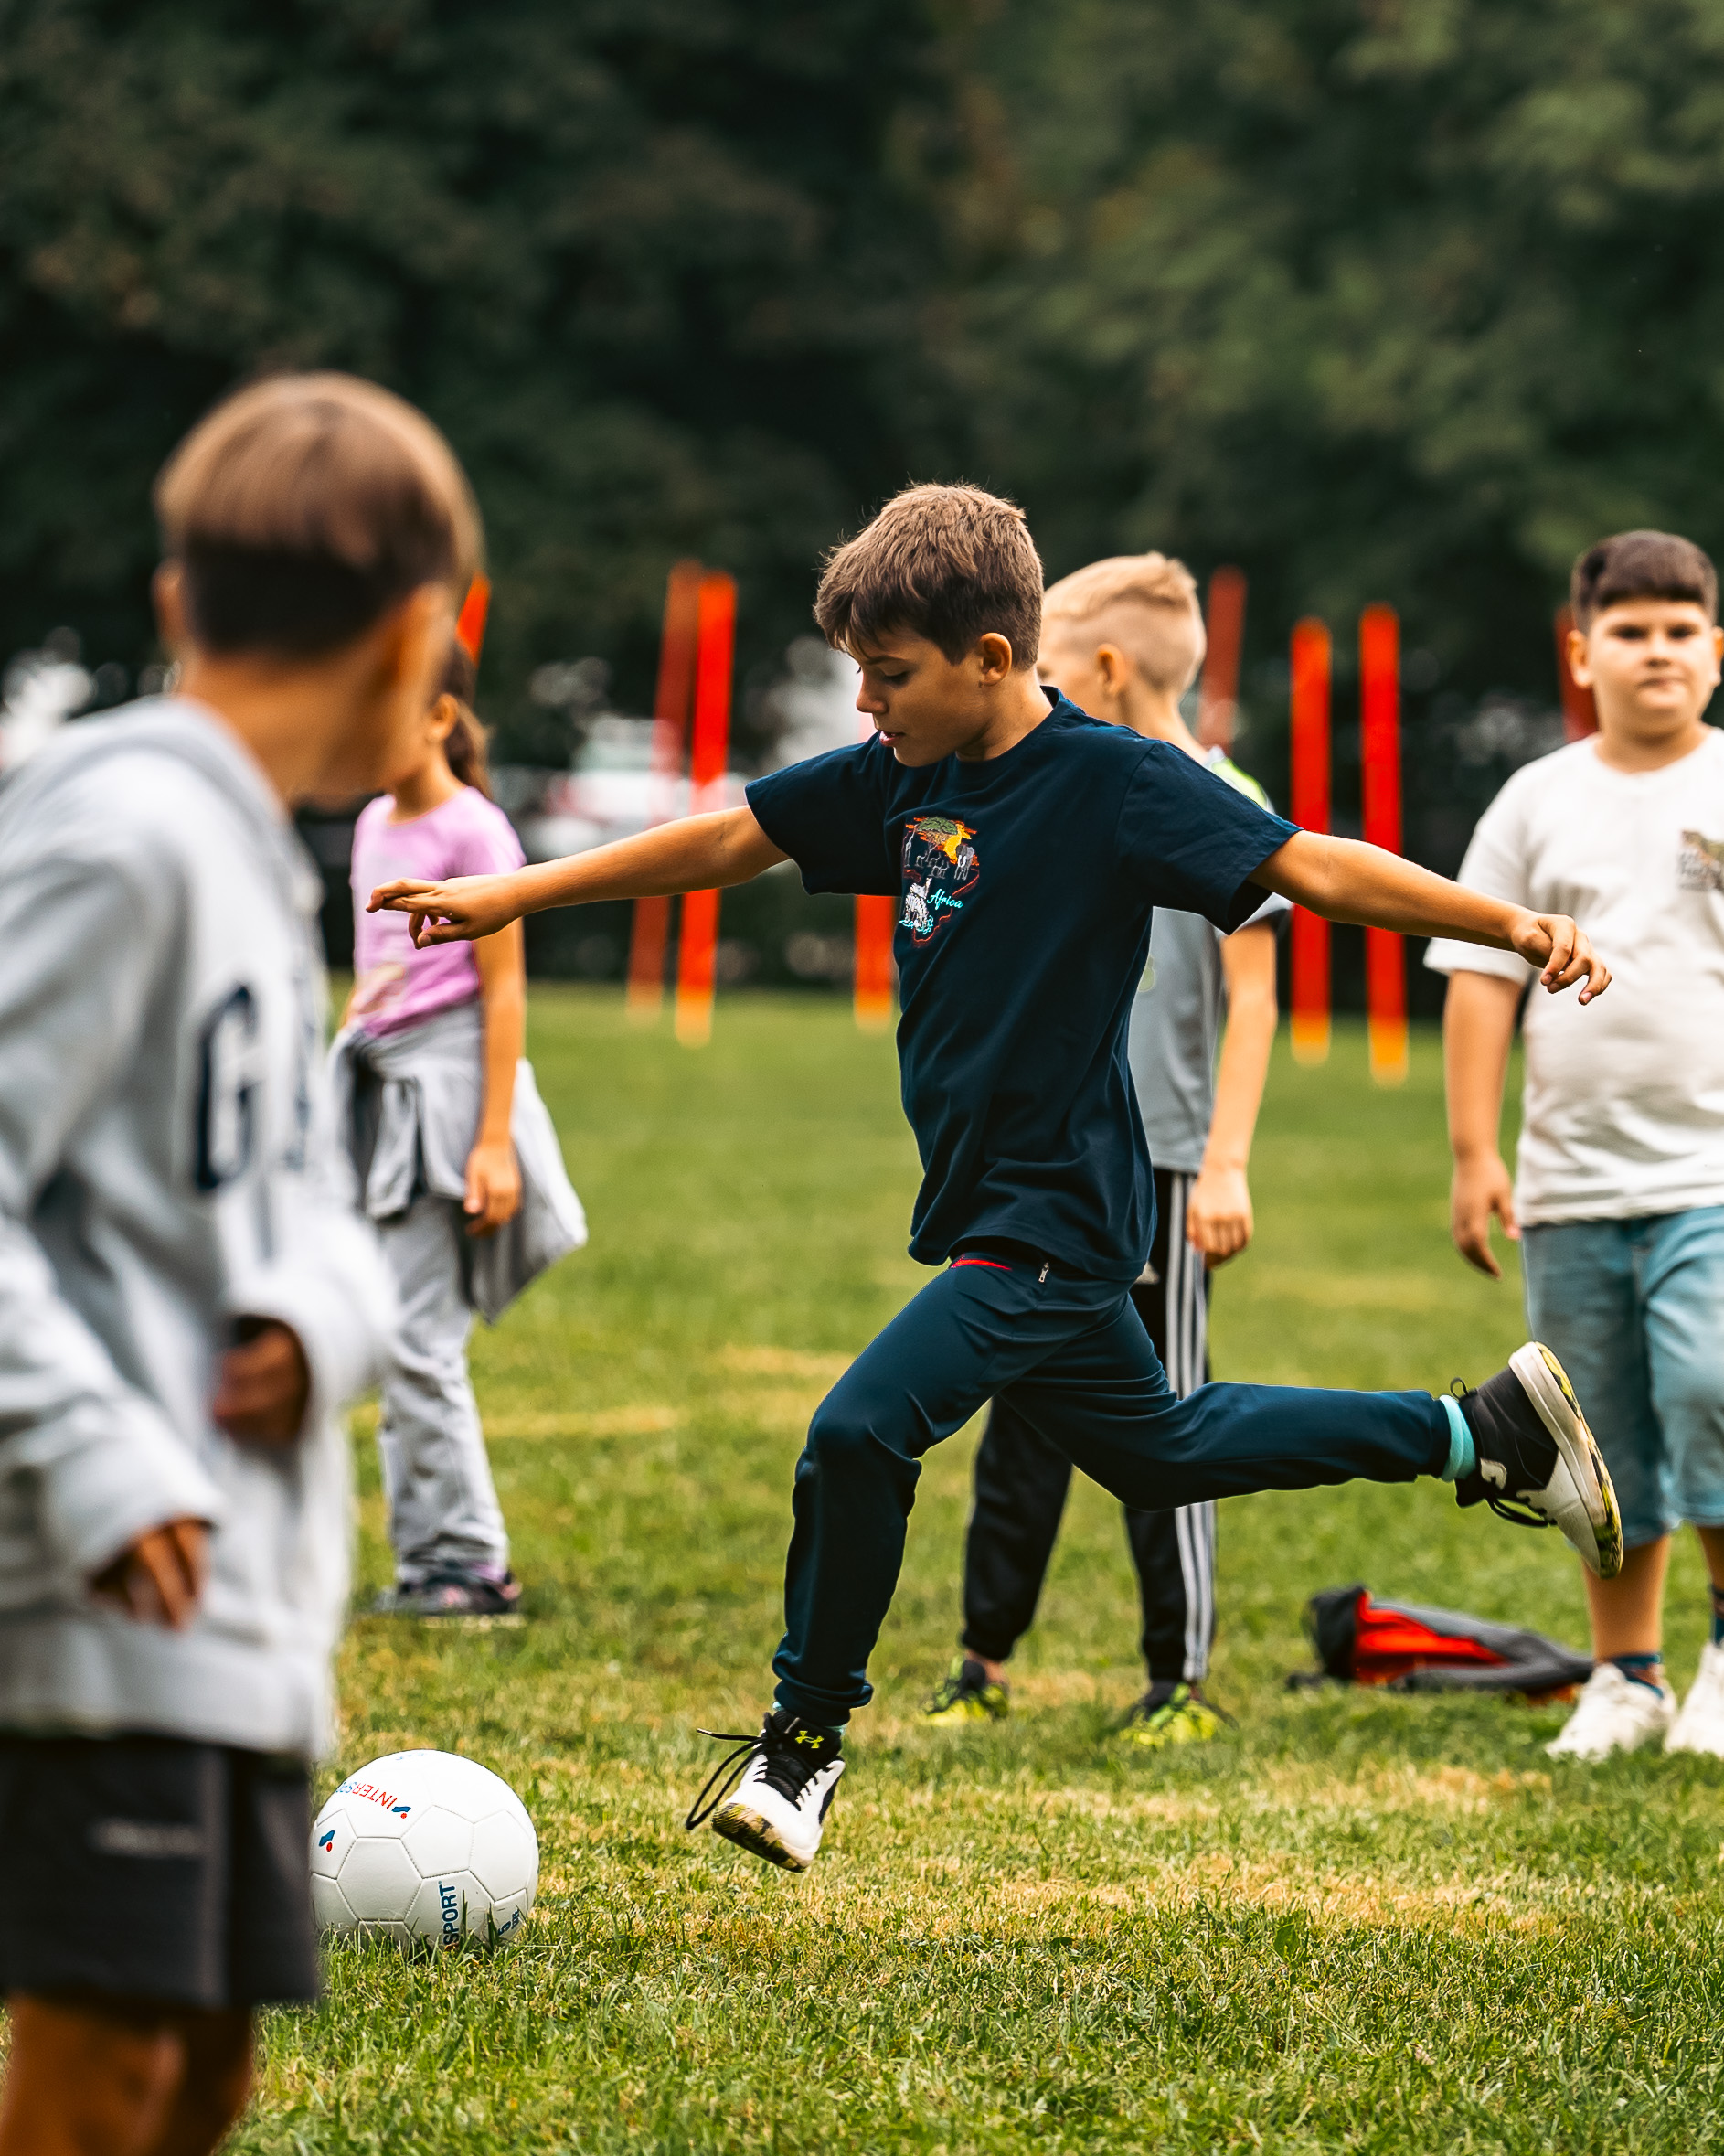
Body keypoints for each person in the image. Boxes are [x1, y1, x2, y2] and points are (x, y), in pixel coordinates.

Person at [371, 482, 1621, 1877]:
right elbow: (732, 838)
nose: (866, 706)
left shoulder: (1110, 782)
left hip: (1051, 1216)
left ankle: (801, 1745)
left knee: (856, 1434)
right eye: (856, 675)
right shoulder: (908, 772)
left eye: (888, 676)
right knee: (1166, 1447)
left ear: (989, 658)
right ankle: (1479, 1432)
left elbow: (1310, 867)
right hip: (997, 1208)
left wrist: (1506, 922)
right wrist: (513, 893)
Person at [0, 370, 478, 2156]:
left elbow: (289, 1201)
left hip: (236, 1611)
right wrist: (105, 1467)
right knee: (109, 2056)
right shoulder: (119, 837)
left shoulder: (254, 863)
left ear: (173, 600)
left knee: (198, 2071)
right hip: (100, 1588)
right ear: (424, 629)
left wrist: (302, 1319)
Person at [923, 552, 1284, 1745]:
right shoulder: (1060, 784)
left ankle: (1177, 1678)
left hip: (1168, 1166)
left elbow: (1254, 996)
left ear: (1110, 670)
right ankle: (981, 1659)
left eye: (1052, 665)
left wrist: (1224, 1159)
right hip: (1051, 1169)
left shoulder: (1214, 797)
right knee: (1019, 1412)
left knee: (1165, 1417)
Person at [1428, 528, 1724, 1762]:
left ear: (1713, 650)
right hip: (1567, 1187)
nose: (1654, 652)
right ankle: (1623, 1673)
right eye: (1628, 630)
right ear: (1578, 650)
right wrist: (1470, 1151)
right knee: (1596, 1445)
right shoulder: (1534, 800)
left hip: (1710, 1174)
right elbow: (1481, 983)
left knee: (1711, 1392)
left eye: (1677, 631)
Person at [332, 636, 587, 1619]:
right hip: (375, 1078)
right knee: (382, 1330)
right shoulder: (370, 823)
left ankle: (467, 1566)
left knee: (416, 1337)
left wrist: (491, 1141)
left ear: (440, 717)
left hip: (443, 1093)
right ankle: (425, 1561)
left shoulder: (475, 831)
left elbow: (503, 989)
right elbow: (377, 976)